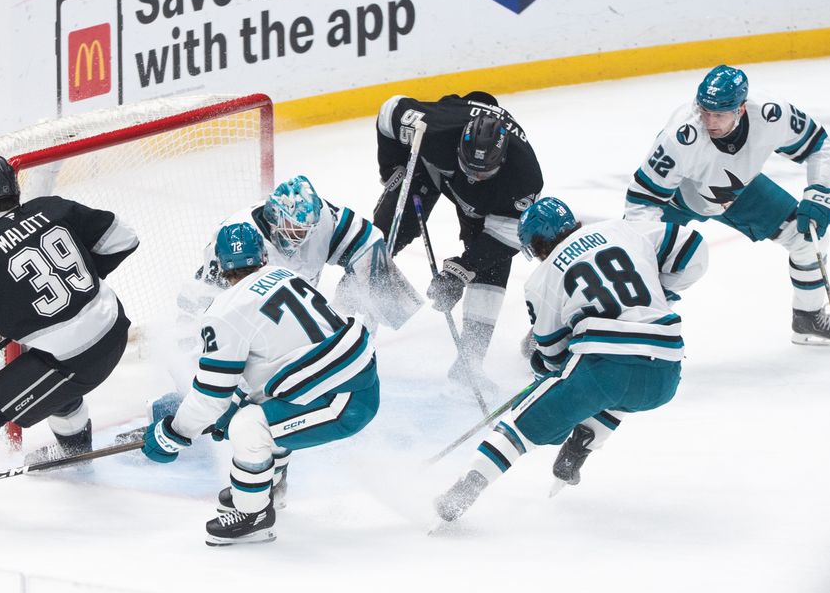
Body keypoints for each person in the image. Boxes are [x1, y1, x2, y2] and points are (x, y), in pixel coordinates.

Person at [434, 196, 708, 522]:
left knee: (525, 421)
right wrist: (660, 296)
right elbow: (693, 248)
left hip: (606, 365)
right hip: (666, 370)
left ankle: (468, 486)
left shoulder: (541, 279)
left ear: (536, 246)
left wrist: (545, 370)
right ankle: (585, 441)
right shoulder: (621, 229)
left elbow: (552, 354)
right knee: (620, 392)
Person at [0, 155, 139, 507]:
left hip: (76, 360)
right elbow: (123, 239)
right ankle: (76, 451)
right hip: (114, 328)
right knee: (55, 387)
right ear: (16, 189)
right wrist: (80, 286)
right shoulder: (54, 208)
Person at [144, 222, 380, 546]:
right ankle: (271, 487)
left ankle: (254, 515)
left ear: (220, 266)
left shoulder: (224, 312)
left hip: (343, 398)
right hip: (354, 377)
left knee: (249, 425)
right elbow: (273, 366)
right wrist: (232, 405)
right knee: (263, 411)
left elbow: (211, 398)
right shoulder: (286, 276)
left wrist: (174, 433)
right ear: (263, 256)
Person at [624, 64, 830, 345]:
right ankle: (629, 330)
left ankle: (807, 317)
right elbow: (642, 199)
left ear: (741, 109)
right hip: (674, 201)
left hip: (735, 190)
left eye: (719, 114)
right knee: (640, 267)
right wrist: (644, 253)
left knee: (807, 237)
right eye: (704, 111)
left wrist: (819, 194)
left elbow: (819, 147)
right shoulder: (681, 137)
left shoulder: (772, 114)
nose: (709, 121)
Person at [372, 91, 544, 390]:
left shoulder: (524, 177)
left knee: (493, 263)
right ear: (459, 145)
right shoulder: (436, 129)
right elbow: (389, 111)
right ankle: (345, 319)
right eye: (470, 166)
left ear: (502, 158)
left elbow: (505, 237)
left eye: (484, 170)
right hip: (432, 170)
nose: (475, 176)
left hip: (487, 204)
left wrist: (460, 270)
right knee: (386, 236)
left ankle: (470, 361)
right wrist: (392, 168)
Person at [176, 175, 420, 350]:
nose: (301, 237)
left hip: (285, 314)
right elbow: (213, 303)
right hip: (215, 309)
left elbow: (366, 240)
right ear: (274, 214)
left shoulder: (321, 218)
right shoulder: (239, 239)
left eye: (305, 230)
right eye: (293, 228)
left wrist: (365, 288)